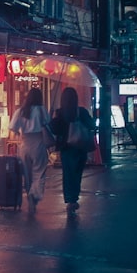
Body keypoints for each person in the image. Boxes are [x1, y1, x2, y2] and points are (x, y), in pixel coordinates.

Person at [49, 87, 95, 216]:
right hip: (81, 147)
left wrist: (52, 118)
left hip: (67, 148)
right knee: (78, 174)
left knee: (68, 174)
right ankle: (74, 197)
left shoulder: (60, 113)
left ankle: (70, 200)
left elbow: (54, 130)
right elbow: (92, 125)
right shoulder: (81, 112)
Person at [8, 87, 51, 214]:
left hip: (24, 144)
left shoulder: (20, 111)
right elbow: (49, 124)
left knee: (27, 174)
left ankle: (29, 194)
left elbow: (12, 130)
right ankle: (34, 194)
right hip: (38, 143)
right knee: (39, 172)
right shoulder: (42, 110)